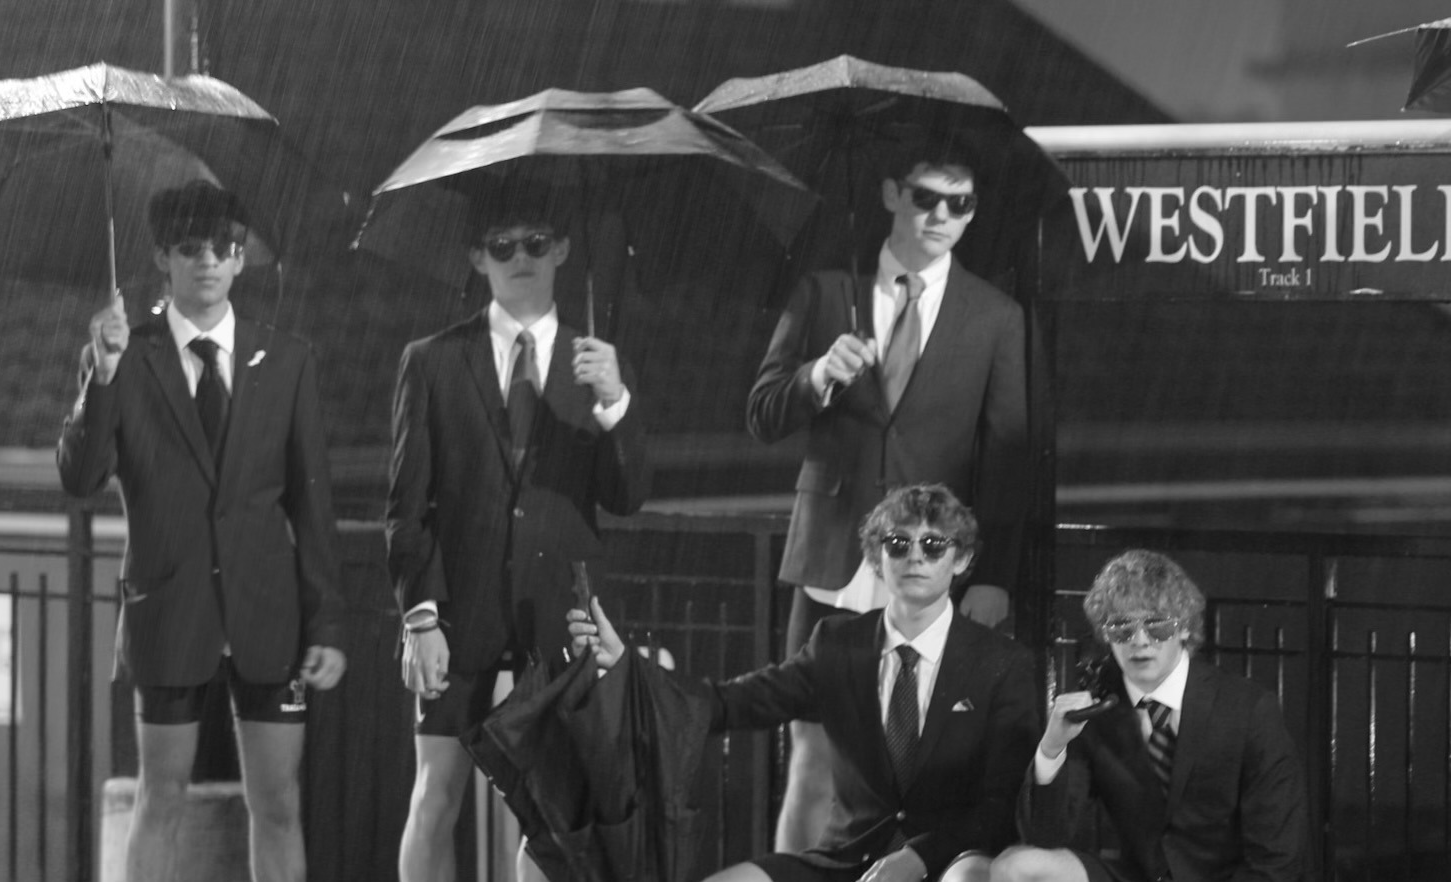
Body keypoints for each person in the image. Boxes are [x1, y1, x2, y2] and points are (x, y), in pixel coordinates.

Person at [58, 180, 348, 882]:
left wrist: (328, 625)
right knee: (161, 799)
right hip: (169, 609)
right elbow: (80, 477)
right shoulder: (125, 357)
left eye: (225, 248)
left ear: (242, 259)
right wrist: (101, 375)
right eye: (192, 250)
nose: (210, 262)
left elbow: (311, 505)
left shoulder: (288, 361)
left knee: (277, 802)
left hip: (268, 614)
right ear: (163, 256)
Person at [747, 143, 1029, 850]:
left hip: (928, 570)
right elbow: (761, 412)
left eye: (957, 203)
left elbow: (1009, 460)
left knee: (929, 775)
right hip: (832, 562)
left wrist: (993, 576)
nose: (939, 214)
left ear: (971, 215)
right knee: (809, 763)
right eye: (925, 196)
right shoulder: (822, 293)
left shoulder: (996, 317)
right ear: (890, 194)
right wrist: (817, 375)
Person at [571, 484, 1038, 882]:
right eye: (898, 544)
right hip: (845, 860)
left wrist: (919, 858)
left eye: (933, 546)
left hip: (950, 859)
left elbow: (1000, 804)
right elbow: (729, 702)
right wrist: (626, 667)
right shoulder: (837, 643)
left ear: (961, 560)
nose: (915, 556)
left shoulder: (1001, 662)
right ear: (877, 558)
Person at [386, 182, 649, 882]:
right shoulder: (434, 360)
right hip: (459, 613)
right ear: (478, 257)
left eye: (537, 242)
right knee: (435, 796)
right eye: (503, 246)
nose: (521, 257)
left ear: (562, 249)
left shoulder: (597, 365)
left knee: (550, 808)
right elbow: (408, 509)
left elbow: (628, 497)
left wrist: (616, 403)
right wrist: (421, 618)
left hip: (558, 614)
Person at [991, 550, 1306, 882]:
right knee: (1015, 867)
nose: (1139, 641)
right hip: (1136, 875)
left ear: (1185, 628)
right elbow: (1045, 837)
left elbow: (1277, 857)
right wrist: (1052, 748)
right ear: (1105, 635)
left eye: (1157, 626)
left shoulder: (1248, 709)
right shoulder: (1096, 711)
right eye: (1122, 628)